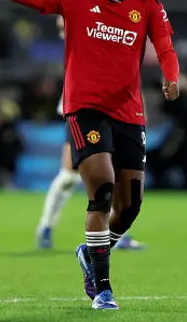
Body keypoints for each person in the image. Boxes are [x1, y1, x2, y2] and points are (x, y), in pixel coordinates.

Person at [0, 0, 179, 310]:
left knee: (129, 206)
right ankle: (102, 288)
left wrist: (171, 76)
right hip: (85, 109)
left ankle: (91, 252)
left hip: (129, 112)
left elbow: (165, 45)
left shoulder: (146, 3)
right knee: (102, 190)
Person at [35, 16, 146, 251]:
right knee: (69, 177)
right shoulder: (84, 25)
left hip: (115, 109)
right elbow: (64, 22)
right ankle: (46, 226)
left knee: (116, 176)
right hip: (82, 109)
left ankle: (117, 234)